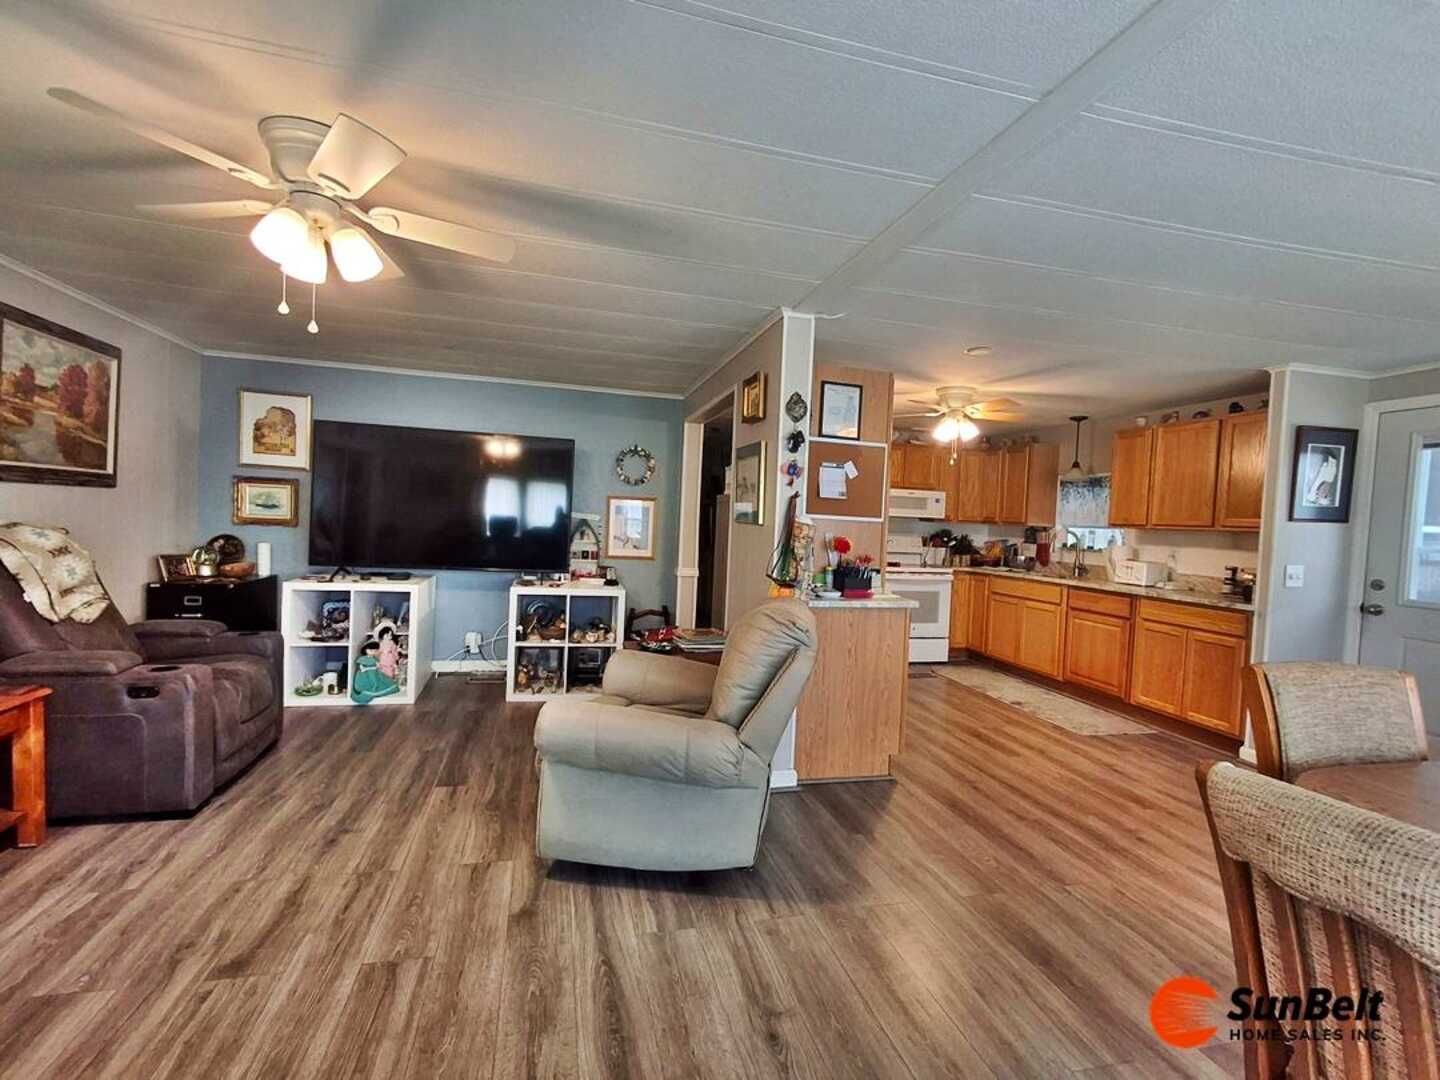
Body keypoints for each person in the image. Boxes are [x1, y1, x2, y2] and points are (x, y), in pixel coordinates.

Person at [351, 638, 400, 703]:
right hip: (367, 675)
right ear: (365, 650)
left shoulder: (374, 658)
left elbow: (376, 666)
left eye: (374, 650)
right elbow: (366, 667)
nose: (373, 652)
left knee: (386, 681)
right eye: (370, 650)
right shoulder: (363, 659)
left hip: (375, 674)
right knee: (373, 684)